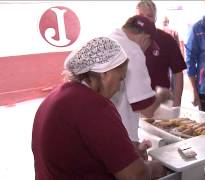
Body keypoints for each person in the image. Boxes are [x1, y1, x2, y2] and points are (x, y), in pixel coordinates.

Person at [32, 37, 166, 179]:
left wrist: (127, 151)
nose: (119, 87)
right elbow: (136, 176)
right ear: (105, 73)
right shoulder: (96, 107)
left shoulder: (57, 96)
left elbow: (83, 147)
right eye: (121, 78)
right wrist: (157, 168)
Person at [108, 15, 171, 148]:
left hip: (98, 128)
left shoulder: (109, 38)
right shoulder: (133, 51)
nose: (147, 49)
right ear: (145, 38)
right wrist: (161, 95)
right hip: (119, 134)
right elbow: (147, 110)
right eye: (149, 45)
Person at [136, 0, 187, 107]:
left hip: (161, 102)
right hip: (135, 102)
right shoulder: (128, 40)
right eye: (140, 15)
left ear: (155, 18)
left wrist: (176, 103)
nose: (144, 19)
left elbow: (178, 73)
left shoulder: (167, 39)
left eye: (149, 15)